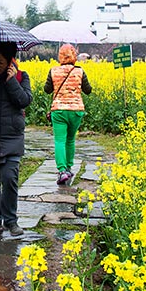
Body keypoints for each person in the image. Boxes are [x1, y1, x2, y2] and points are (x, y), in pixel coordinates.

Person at [0, 42, 32, 237]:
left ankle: (11, 220)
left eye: (1, 62)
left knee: (9, 178)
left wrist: (12, 81)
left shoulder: (21, 76)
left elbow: (24, 100)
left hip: (11, 138)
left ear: (10, 61)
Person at [44, 43, 92, 185]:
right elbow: (88, 90)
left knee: (59, 140)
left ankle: (62, 171)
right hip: (76, 110)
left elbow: (47, 89)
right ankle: (69, 168)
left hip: (59, 110)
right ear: (74, 55)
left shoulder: (53, 71)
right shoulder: (79, 71)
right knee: (70, 140)